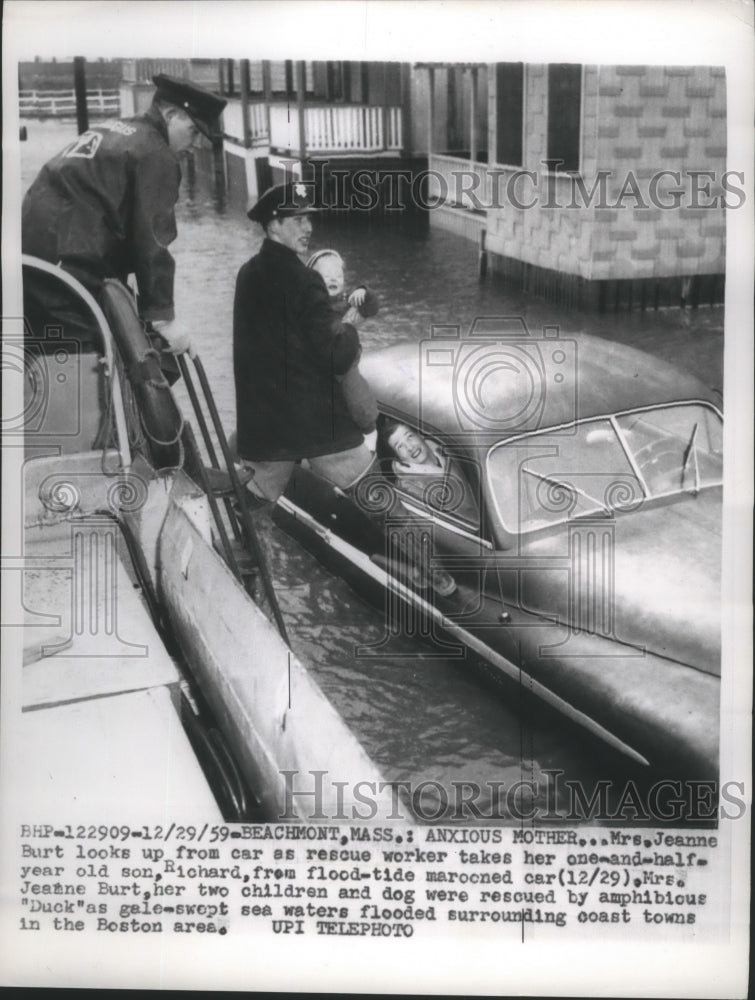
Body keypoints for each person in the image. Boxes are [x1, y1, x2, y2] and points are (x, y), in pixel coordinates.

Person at [22, 73, 227, 360]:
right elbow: (153, 240)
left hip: (30, 263)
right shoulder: (156, 153)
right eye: (194, 131)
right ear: (170, 114)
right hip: (70, 273)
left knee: (45, 354)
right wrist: (164, 319)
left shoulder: (116, 130)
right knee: (103, 357)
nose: (196, 146)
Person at [233, 182, 375, 502]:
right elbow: (336, 355)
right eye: (298, 220)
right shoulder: (306, 279)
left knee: (254, 503)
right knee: (374, 494)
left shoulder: (247, 275)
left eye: (309, 219)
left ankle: (248, 545)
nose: (308, 228)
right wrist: (350, 327)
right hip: (315, 425)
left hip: (264, 426)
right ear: (273, 226)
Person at [306, 248, 379, 448]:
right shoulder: (308, 303)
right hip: (320, 365)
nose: (334, 279)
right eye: (327, 275)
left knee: (358, 397)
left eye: (338, 275)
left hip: (346, 363)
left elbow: (372, 307)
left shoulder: (348, 300)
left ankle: (370, 431)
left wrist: (364, 292)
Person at [382, 419, 479, 527]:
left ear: (419, 434)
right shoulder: (409, 489)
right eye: (400, 446)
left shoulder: (445, 449)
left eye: (410, 436)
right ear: (399, 459)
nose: (410, 447)